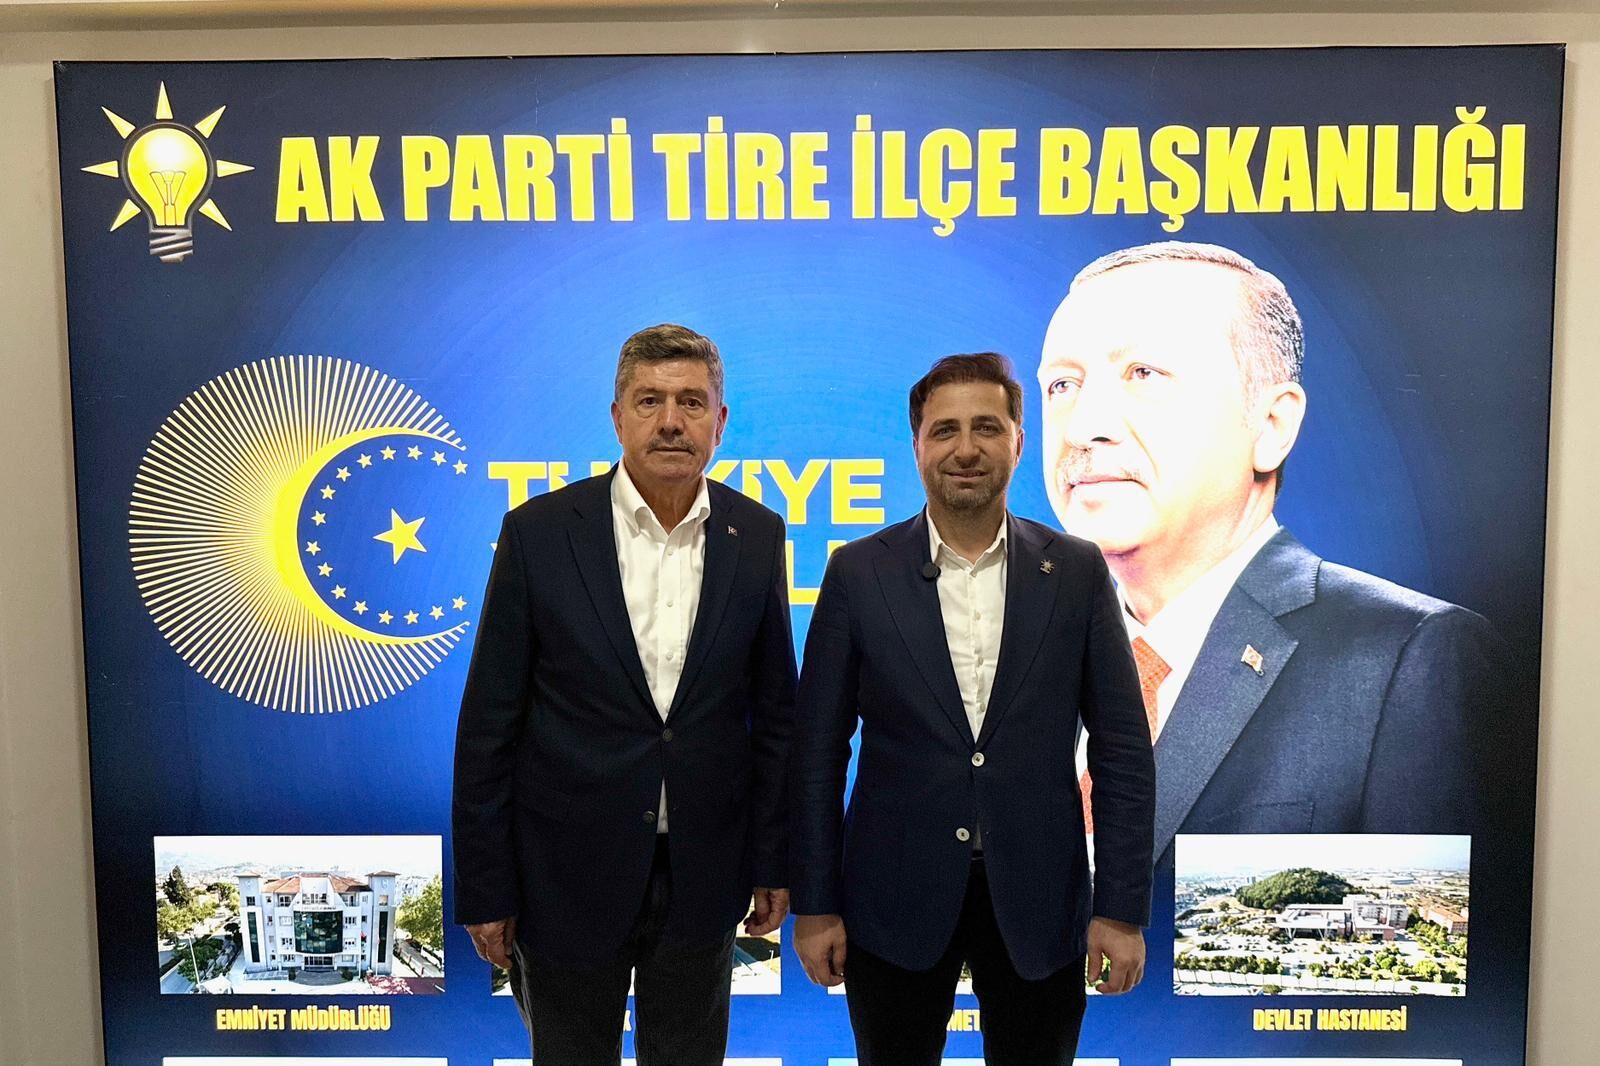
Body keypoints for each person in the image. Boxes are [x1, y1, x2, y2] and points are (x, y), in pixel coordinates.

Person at [1037, 241, 1497, 862]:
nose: (1082, 426)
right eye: (1062, 385)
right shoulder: (1019, 658)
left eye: (1142, 374)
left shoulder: (1408, 660)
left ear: (1272, 426)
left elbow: (1423, 924)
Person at [790, 353, 1156, 1066]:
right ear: (917, 446)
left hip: (1041, 901)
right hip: (890, 900)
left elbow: (1122, 751)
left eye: (986, 427)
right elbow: (816, 753)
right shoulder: (858, 572)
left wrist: (1119, 909)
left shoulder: (1077, 571)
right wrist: (817, 902)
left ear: (1018, 441)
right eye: (945, 430)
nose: (965, 449)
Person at [452, 323, 797, 1065]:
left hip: (703, 875)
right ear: (617, 417)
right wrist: (486, 888)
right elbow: (487, 727)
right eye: (649, 401)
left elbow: (774, 719)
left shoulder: (758, 534)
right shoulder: (539, 533)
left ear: (720, 421)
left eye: (691, 402)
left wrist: (775, 859)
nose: (671, 421)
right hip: (563, 877)